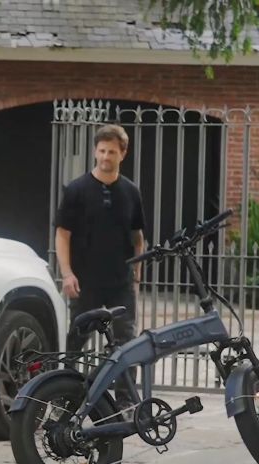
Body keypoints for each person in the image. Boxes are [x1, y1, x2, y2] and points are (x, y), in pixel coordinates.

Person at [55, 124, 146, 408]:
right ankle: (64, 398)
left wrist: (137, 273)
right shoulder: (76, 190)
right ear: (95, 151)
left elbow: (138, 236)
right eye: (102, 150)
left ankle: (125, 403)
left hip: (120, 282)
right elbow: (62, 234)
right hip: (85, 282)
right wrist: (67, 273)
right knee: (75, 342)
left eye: (112, 152)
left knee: (126, 344)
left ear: (123, 154)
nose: (106, 156)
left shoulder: (131, 191)